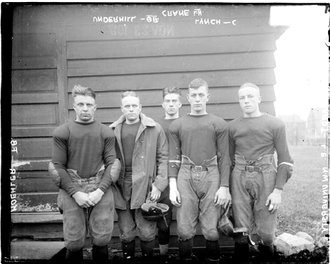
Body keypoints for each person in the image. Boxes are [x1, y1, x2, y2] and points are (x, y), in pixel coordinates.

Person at [50, 85, 118, 263]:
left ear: (95, 107)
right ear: (74, 106)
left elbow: (113, 164)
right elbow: (57, 166)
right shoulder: (63, 132)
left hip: (100, 185)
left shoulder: (106, 132)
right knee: (74, 241)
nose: (85, 109)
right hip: (72, 186)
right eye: (81, 104)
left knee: (102, 238)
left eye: (89, 104)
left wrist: (100, 191)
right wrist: (76, 193)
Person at [168, 78, 232, 263]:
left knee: (211, 226)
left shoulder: (218, 124)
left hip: (211, 174)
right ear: (188, 97)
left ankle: (213, 258)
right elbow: (173, 157)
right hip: (185, 174)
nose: (197, 99)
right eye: (194, 95)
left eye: (201, 95)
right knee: (184, 227)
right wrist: (173, 186)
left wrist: (224, 186)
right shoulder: (177, 125)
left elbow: (225, 157)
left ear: (207, 97)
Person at [228, 82, 293, 262]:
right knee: (240, 225)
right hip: (239, 175)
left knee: (266, 231)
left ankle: (267, 255)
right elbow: (229, 160)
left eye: (250, 96)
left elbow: (285, 159)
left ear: (259, 98)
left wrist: (278, 190)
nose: (246, 101)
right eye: (242, 98)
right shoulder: (232, 127)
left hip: (266, 175)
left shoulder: (275, 124)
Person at [110, 91, 168, 262]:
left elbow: (163, 158)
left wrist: (159, 184)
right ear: (122, 108)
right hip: (121, 184)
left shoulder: (154, 128)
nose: (131, 109)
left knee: (146, 230)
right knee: (126, 231)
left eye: (134, 105)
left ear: (140, 107)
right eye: (127, 106)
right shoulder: (112, 130)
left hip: (146, 184)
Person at [155, 86, 182, 259]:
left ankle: (185, 254)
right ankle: (164, 256)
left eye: (174, 101)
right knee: (163, 221)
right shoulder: (156, 127)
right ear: (162, 104)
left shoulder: (186, 123)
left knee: (185, 220)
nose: (171, 104)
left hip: (185, 176)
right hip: (164, 178)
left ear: (180, 103)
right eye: (168, 101)